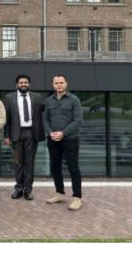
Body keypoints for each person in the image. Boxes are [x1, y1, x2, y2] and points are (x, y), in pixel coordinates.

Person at [44, 74, 84, 211]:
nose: (59, 85)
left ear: (66, 83)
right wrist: (50, 132)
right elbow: (45, 119)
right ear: (53, 85)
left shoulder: (74, 100)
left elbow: (78, 120)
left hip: (70, 139)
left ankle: (77, 198)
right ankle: (59, 193)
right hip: (53, 139)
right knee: (55, 167)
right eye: (56, 83)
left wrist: (63, 133)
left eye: (61, 82)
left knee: (73, 168)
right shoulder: (49, 100)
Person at [3, 74, 45, 200]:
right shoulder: (9, 98)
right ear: (17, 85)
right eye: (21, 83)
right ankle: (18, 189)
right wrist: (6, 136)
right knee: (18, 162)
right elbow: (7, 119)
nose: (23, 84)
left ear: (29, 84)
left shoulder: (37, 97)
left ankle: (27, 190)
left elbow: (44, 113)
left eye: (26, 82)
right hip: (16, 136)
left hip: (32, 134)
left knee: (29, 163)